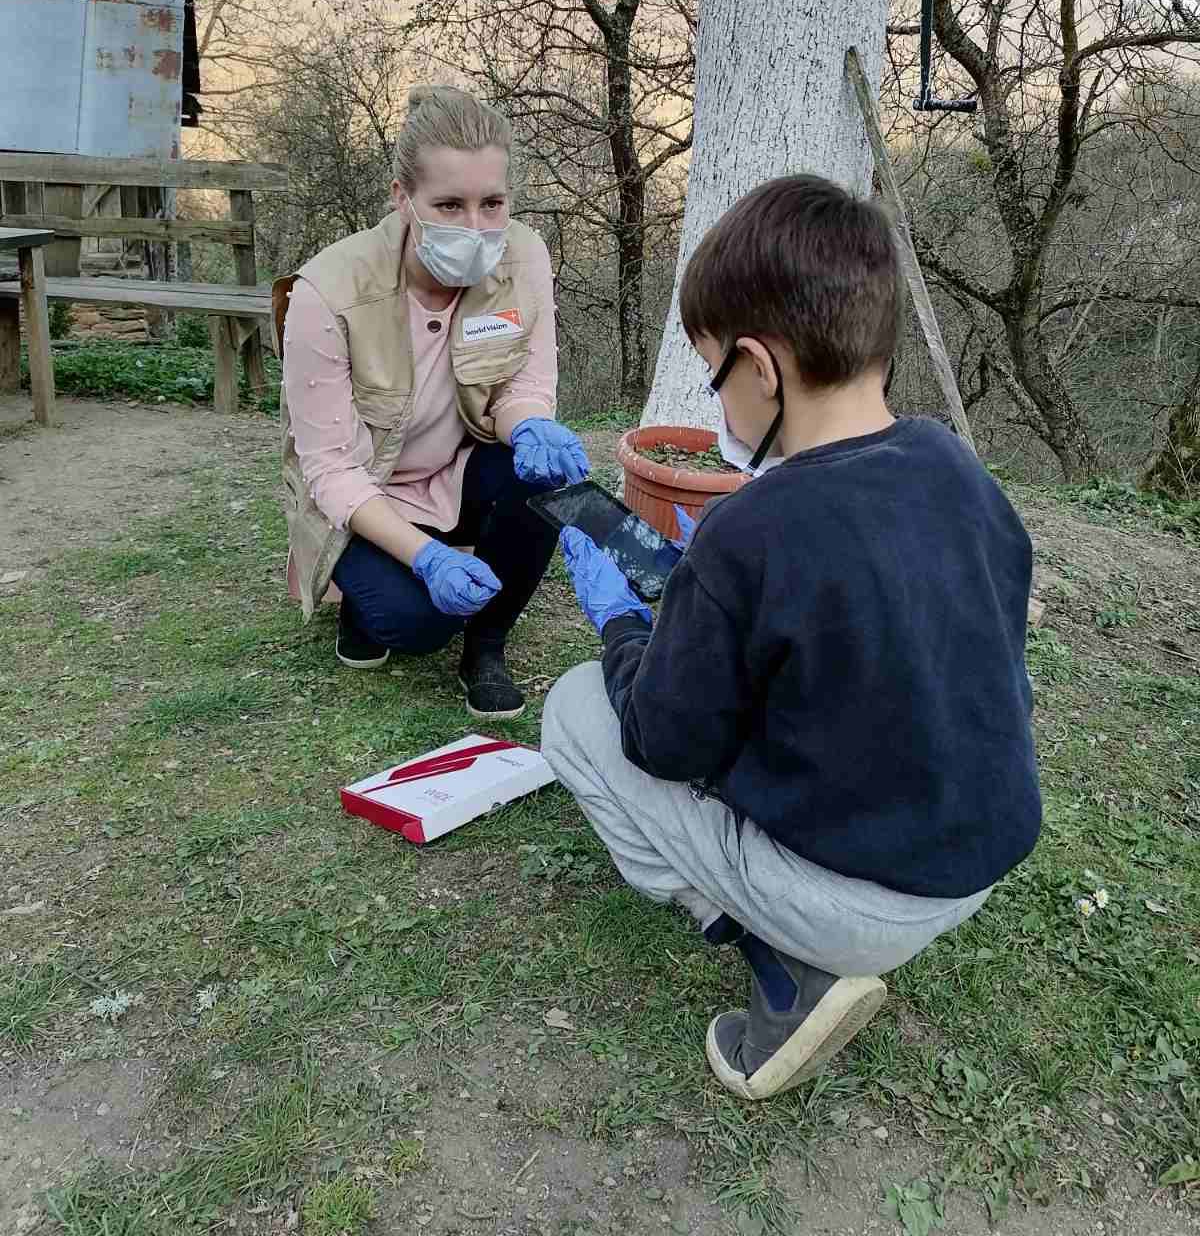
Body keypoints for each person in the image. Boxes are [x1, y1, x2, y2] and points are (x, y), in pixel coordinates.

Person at [541, 175, 1040, 1100]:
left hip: (857, 904)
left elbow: (662, 742)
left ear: (760, 369)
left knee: (576, 710)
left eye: (714, 373)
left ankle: (780, 960)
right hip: (973, 867)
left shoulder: (754, 524)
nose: (717, 400)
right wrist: (709, 607)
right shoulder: (954, 464)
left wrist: (622, 624)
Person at [277, 84, 589, 720]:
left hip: (456, 468)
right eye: (449, 205)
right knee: (414, 623)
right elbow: (331, 469)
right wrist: (427, 556)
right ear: (402, 199)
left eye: (492, 203)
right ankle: (366, 607)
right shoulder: (327, 291)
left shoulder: (523, 255)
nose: (476, 228)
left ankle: (487, 646)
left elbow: (520, 387)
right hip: (364, 491)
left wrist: (532, 425)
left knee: (541, 478)